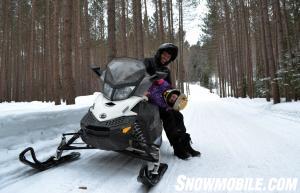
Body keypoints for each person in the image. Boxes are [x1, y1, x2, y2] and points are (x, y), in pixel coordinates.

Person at [144, 43, 200, 159]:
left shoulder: (166, 71)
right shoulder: (147, 62)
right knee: (168, 116)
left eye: (168, 57)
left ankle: (185, 144)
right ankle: (177, 147)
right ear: (160, 53)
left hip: (160, 100)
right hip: (146, 99)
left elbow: (168, 88)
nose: (165, 58)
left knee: (178, 115)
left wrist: (172, 99)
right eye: (164, 55)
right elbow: (137, 75)